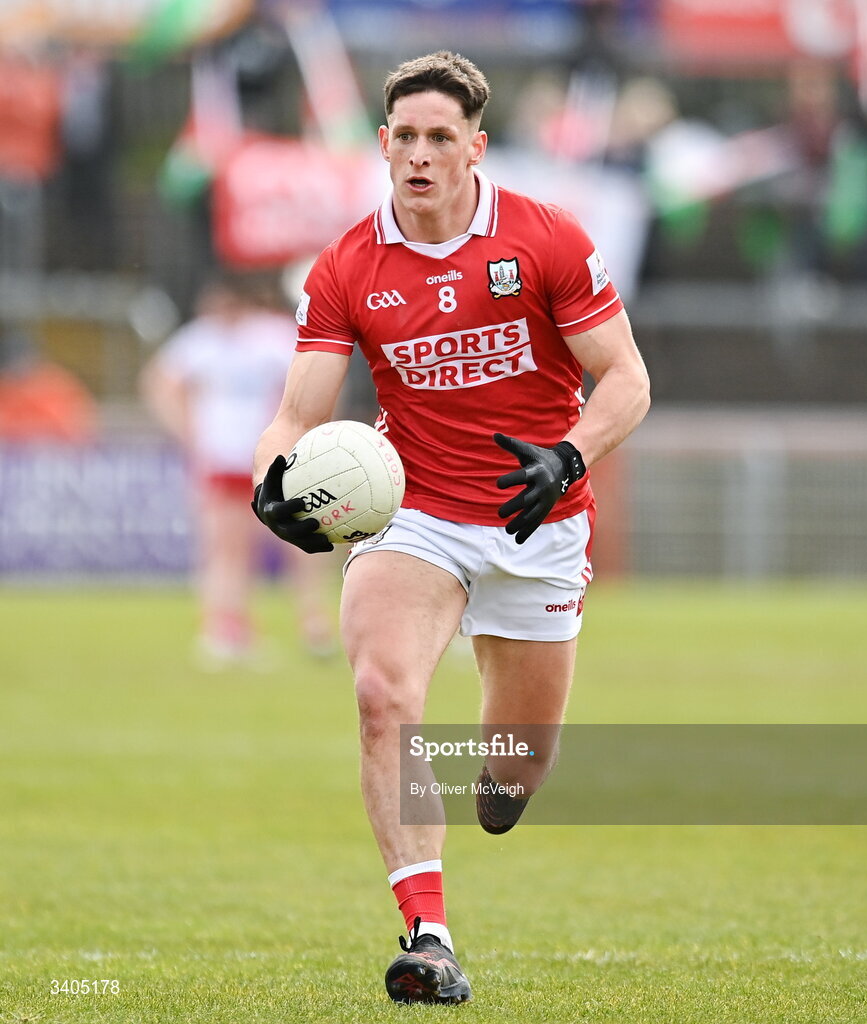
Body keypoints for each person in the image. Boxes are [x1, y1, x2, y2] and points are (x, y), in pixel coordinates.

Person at [252, 52, 650, 1003]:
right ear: (383, 144)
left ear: (477, 145)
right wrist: (275, 482)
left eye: (442, 138)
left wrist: (569, 456)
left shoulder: (546, 238)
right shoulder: (349, 261)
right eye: (406, 138)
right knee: (383, 696)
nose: (421, 156)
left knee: (513, 778)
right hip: (415, 516)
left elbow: (628, 383)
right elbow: (298, 411)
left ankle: (501, 786)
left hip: (538, 519)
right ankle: (428, 935)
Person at [142, 274, 335, 667]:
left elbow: (308, 381)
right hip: (221, 459)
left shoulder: (271, 337)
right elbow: (159, 383)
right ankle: (225, 631)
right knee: (225, 547)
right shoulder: (202, 340)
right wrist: (188, 433)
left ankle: (314, 623)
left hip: (275, 460)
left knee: (303, 542)